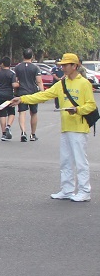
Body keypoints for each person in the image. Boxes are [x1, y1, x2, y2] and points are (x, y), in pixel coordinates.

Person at [14, 53, 96, 202]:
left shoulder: (84, 83)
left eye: (65, 65)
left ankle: (84, 191)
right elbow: (44, 95)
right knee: (66, 161)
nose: (62, 68)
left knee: (80, 161)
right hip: (66, 128)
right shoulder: (62, 84)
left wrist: (77, 110)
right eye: (62, 65)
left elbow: (91, 105)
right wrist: (22, 99)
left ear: (74, 66)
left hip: (79, 128)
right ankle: (67, 189)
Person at [14, 49, 44, 142]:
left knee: (22, 112)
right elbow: (39, 81)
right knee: (33, 113)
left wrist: (15, 91)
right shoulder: (35, 68)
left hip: (21, 92)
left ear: (23, 56)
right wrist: (43, 93)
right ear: (32, 56)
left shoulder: (17, 68)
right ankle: (33, 134)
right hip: (33, 92)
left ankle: (23, 132)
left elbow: (15, 81)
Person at [0, 58, 18, 140]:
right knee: (11, 112)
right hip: (9, 95)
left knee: (2, 114)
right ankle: (8, 126)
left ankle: (3, 134)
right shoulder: (12, 73)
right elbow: (14, 85)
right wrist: (19, 84)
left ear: (2, 64)